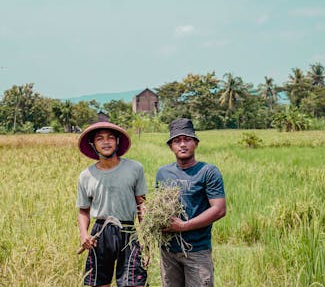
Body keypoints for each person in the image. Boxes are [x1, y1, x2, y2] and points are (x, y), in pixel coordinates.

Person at [156, 118, 226, 287]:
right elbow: (159, 207)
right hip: (168, 251)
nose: (182, 144)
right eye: (177, 140)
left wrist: (184, 226)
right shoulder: (163, 173)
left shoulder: (208, 172)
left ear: (195, 143)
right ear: (170, 146)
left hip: (196, 250)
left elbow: (219, 209)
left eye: (187, 139)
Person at [76, 121, 148, 287]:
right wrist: (84, 234)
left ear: (117, 141)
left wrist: (145, 236)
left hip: (129, 231)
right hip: (100, 234)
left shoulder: (134, 168)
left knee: (133, 282)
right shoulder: (86, 175)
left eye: (110, 138)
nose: (106, 142)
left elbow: (141, 204)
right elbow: (83, 211)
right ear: (93, 144)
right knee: (99, 282)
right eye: (100, 138)